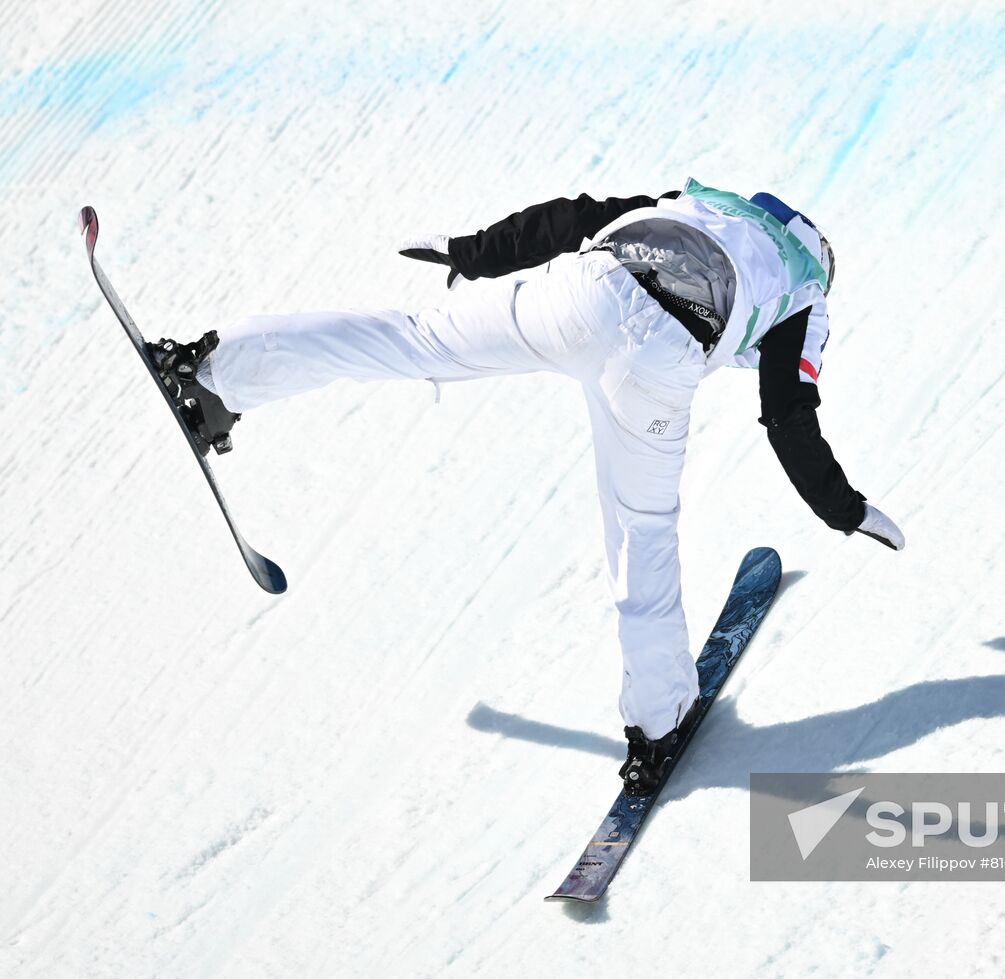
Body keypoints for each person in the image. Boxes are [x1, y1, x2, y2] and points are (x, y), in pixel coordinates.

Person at [150, 178, 905, 794]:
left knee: (410, 337)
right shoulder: (805, 294)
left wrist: (473, 253)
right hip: (657, 350)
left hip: (578, 290)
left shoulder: (695, 200)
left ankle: (212, 376)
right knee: (640, 533)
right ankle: (657, 721)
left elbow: (570, 218)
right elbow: (786, 411)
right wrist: (843, 508)